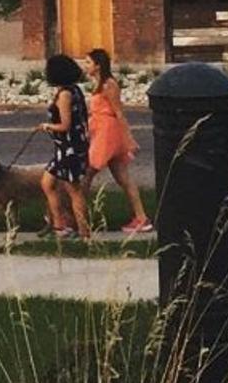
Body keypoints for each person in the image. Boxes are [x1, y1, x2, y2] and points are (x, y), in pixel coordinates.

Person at [84, 48, 151, 234]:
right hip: (99, 128)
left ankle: (77, 214)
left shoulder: (108, 85)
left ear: (98, 65)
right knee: (122, 177)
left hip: (108, 131)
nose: (85, 66)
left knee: (88, 171)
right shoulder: (97, 84)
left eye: (88, 62)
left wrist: (128, 139)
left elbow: (118, 112)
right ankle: (141, 217)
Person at [36, 53, 92, 241]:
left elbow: (65, 124)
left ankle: (84, 232)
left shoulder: (65, 95)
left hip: (69, 149)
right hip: (65, 148)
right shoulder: (74, 89)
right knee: (47, 183)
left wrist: (47, 126)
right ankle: (59, 225)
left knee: (74, 190)